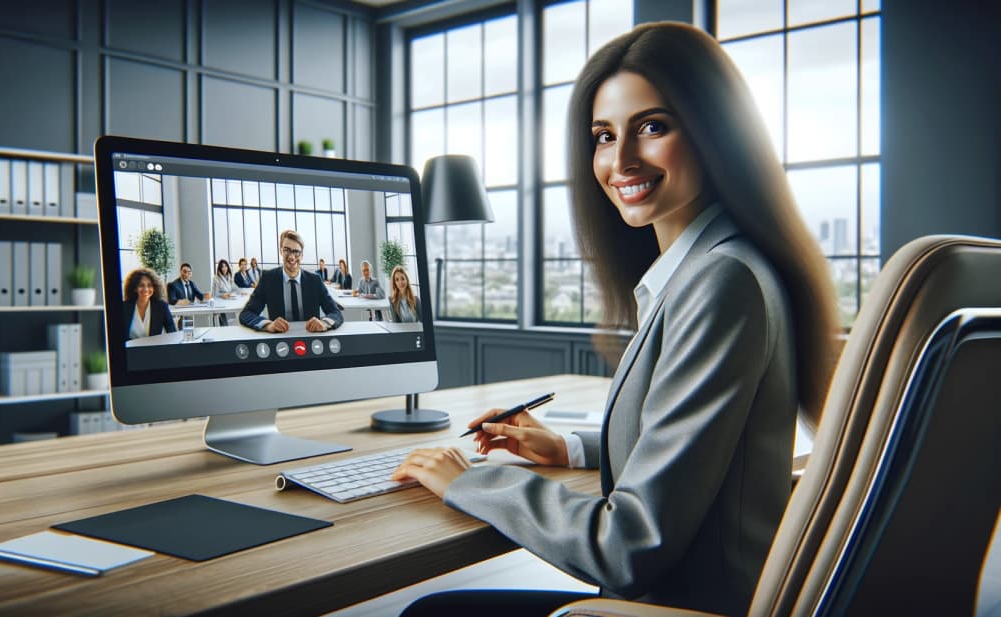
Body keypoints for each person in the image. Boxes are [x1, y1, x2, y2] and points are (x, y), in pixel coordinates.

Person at [393, 22, 838, 617]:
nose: (621, 158)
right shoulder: (717, 266)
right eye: (603, 135)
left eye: (653, 126)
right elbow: (701, 454)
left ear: (717, 134)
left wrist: (467, 480)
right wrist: (570, 449)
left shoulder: (720, 282)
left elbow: (628, 545)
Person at [239, 229, 344, 333]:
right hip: (279, 340)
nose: (292, 257)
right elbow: (246, 313)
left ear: (302, 255)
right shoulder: (268, 279)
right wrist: (268, 325)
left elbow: (335, 312)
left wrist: (324, 323)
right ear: (281, 251)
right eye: (287, 250)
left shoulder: (315, 280)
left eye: (296, 252)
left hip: (311, 339)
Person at [122, 268, 176, 341]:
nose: (146, 289)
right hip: (129, 351)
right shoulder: (123, 307)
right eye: (141, 285)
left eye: (149, 285)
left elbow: (172, 332)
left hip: (154, 351)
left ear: (154, 288)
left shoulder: (161, 306)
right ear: (135, 288)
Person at [211, 259, 236, 326]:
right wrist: (222, 295)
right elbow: (214, 293)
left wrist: (240, 292)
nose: (224, 268)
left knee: (231, 323)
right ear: (220, 268)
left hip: (229, 302)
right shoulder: (216, 278)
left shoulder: (229, 277)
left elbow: (233, 289)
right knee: (223, 324)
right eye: (222, 267)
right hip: (220, 303)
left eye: (225, 266)